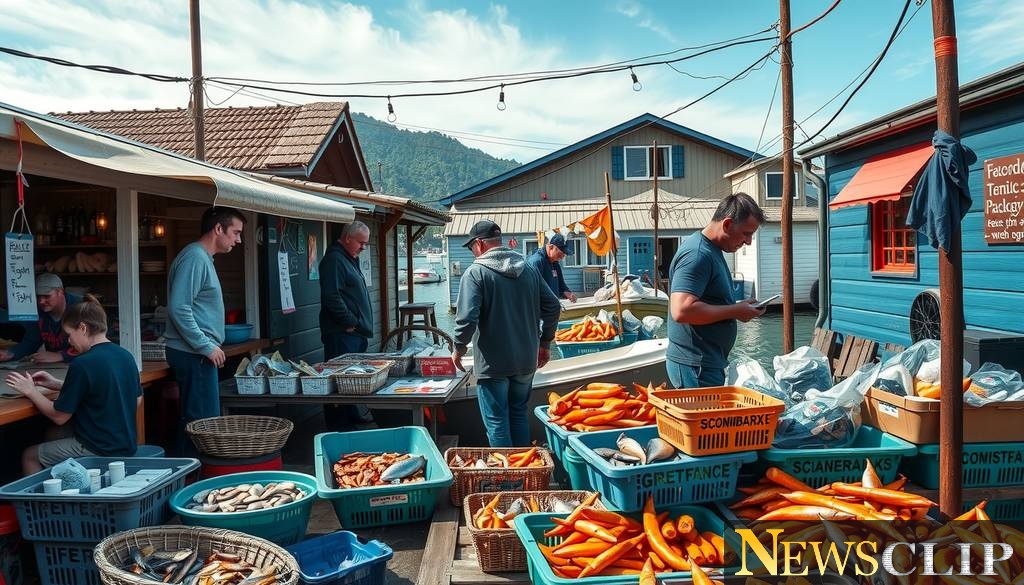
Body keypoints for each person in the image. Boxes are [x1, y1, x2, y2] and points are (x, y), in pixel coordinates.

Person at [452, 220, 561, 447]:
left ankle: (508, 480)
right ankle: (524, 472)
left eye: (472, 247)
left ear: (479, 244)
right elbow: (553, 306)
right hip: (525, 360)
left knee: (497, 422)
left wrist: (459, 347)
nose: (473, 252)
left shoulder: (475, 273)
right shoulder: (528, 269)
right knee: (519, 414)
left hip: (493, 365)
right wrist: (545, 343)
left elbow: (467, 318)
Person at [5, 296, 141, 475]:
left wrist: (31, 391)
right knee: (54, 434)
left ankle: (45, 502)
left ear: (83, 328)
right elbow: (136, 399)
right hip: (125, 443)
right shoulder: (126, 356)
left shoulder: (83, 363)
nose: (69, 341)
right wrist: (56, 384)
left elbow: (58, 416)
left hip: (98, 448)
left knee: (30, 455)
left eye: (69, 335)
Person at [165, 206, 244, 455]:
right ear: (218, 229)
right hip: (193, 353)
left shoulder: (201, 258)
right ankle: (191, 484)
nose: (238, 240)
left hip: (197, 352)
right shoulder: (195, 257)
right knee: (201, 425)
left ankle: (188, 479)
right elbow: (179, 307)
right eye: (235, 232)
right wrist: (205, 345)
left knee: (196, 422)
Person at [667, 193, 766, 389]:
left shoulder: (710, 250)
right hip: (696, 366)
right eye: (746, 233)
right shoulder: (697, 255)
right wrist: (736, 311)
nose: (748, 242)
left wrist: (738, 307)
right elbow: (682, 310)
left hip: (704, 364)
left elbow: (706, 302)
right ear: (727, 224)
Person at [319, 221, 374, 429]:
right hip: (342, 334)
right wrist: (349, 321)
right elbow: (331, 296)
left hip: (355, 333)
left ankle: (351, 415)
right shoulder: (334, 260)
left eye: (366, 243)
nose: (363, 247)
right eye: (361, 242)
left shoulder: (349, 259)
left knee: (351, 379)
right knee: (338, 382)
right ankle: (338, 427)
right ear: (347, 238)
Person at [0, 273, 83, 363]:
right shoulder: (37, 310)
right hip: (54, 367)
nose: (41, 301)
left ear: (60, 292)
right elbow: (32, 340)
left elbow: (93, 343)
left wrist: (61, 356)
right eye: (38, 296)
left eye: (46, 296)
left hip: (83, 364)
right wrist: (10, 353)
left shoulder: (81, 307)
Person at [525, 233, 578, 303]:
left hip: (552, 307)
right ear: (551, 247)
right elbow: (531, 291)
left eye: (564, 254)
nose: (562, 257)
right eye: (561, 253)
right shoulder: (536, 262)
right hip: (541, 309)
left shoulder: (554, 262)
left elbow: (561, 284)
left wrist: (567, 292)